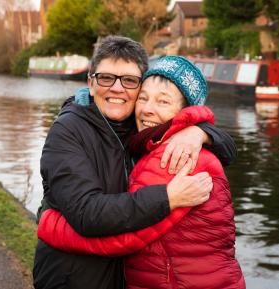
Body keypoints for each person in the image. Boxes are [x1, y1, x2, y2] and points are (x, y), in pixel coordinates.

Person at [33, 36, 237, 289]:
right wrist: (168, 197)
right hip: (75, 278)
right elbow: (86, 212)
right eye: (106, 78)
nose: (117, 89)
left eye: (129, 81)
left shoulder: (165, 145)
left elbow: (227, 148)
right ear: (90, 83)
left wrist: (200, 133)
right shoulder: (69, 130)